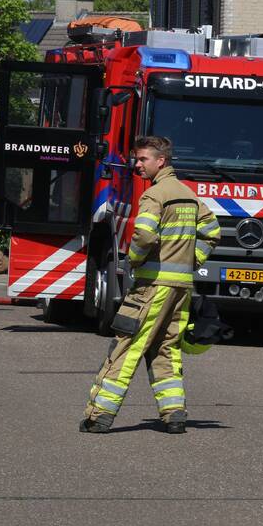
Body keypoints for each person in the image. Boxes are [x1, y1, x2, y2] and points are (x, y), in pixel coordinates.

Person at [80, 136, 220, 434]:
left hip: (152, 286)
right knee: (165, 350)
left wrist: (134, 260)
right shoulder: (188, 195)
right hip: (181, 288)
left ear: (162, 161)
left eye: (143, 159)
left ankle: (99, 416)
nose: (137, 165)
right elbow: (212, 231)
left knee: (126, 346)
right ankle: (175, 415)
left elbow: (143, 236)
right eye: (137, 159)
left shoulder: (154, 195)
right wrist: (190, 262)